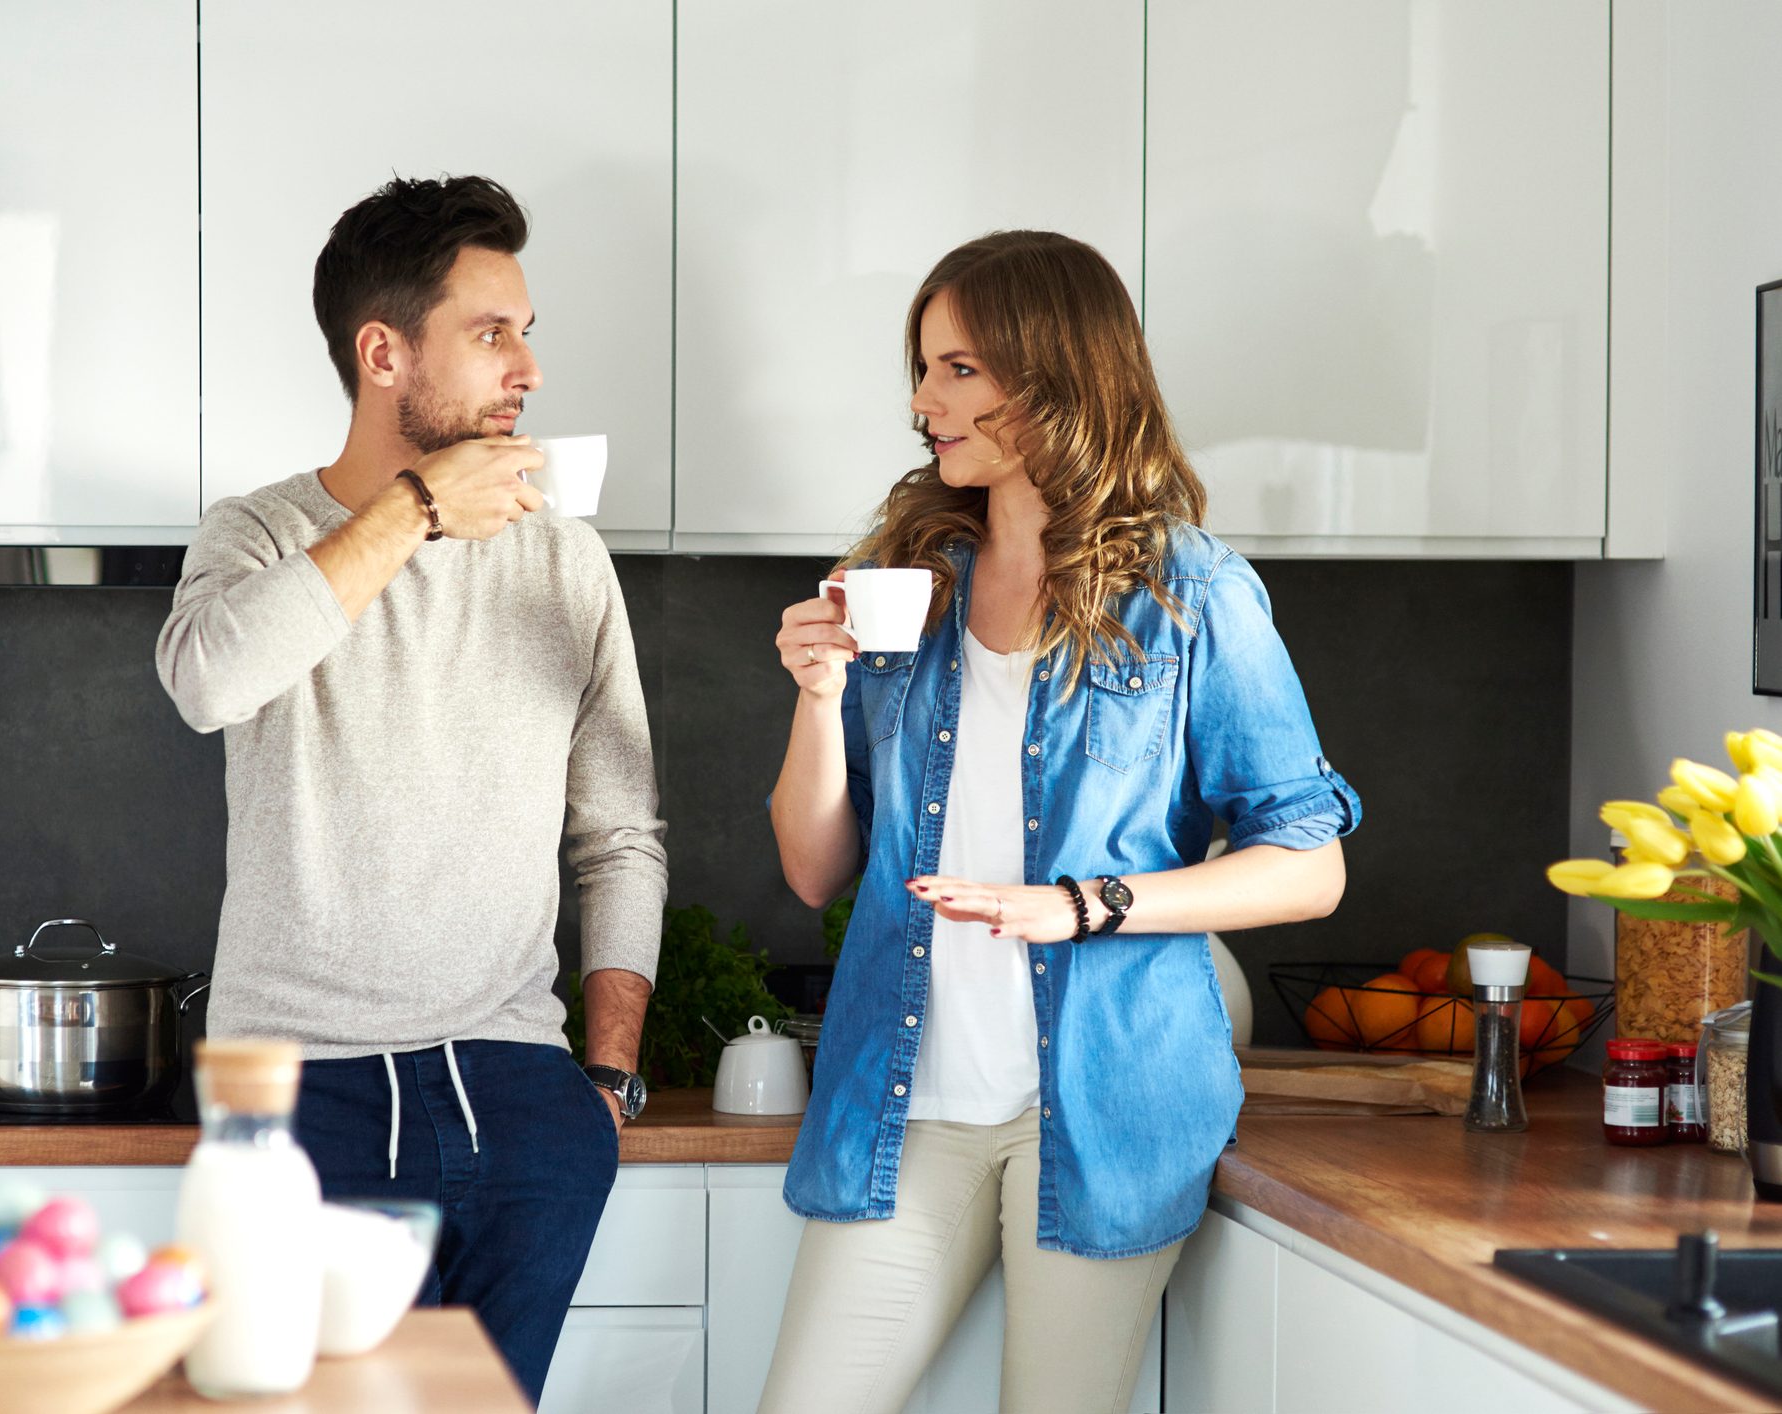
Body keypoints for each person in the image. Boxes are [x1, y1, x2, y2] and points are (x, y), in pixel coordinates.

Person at [761, 230, 1360, 1413]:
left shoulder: (1190, 591)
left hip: (1103, 1105)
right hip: (907, 1100)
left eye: (957, 369)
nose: (922, 400)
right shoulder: (902, 576)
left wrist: (1082, 906)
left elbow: (1308, 864)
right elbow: (814, 868)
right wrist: (817, 698)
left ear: (1057, 374)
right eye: (925, 368)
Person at [154, 174, 666, 1405]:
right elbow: (208, 679)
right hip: (302, 1101)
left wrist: (604, 1083)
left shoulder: (566, 558)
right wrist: (421, 508)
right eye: (493, 334)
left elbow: (620, 833)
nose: (526, 370)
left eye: (525, 333)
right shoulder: (259, 536)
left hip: (520, 1094)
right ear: (384, 353)